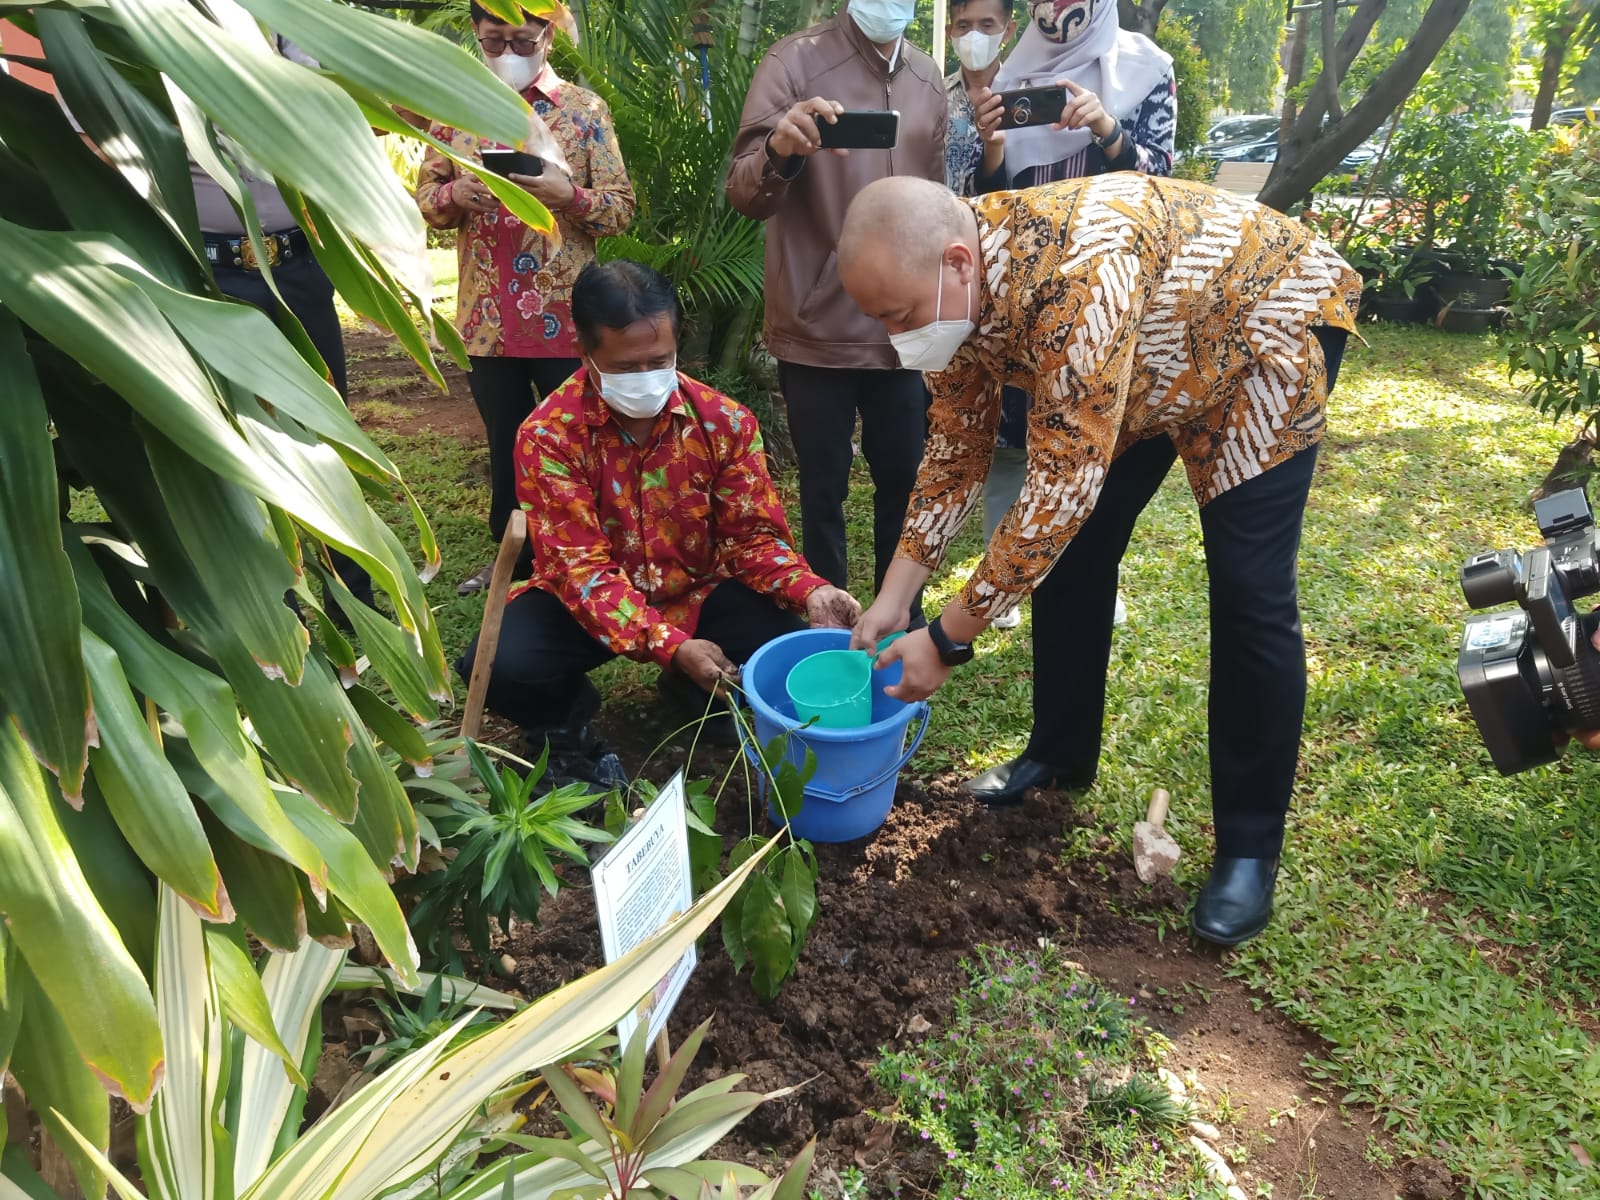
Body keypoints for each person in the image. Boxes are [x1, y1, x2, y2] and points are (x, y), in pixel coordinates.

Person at [838, 174, 1361, 946]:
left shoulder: (1081, 276)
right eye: (879, 320)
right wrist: (892, 600)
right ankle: (1059, 754)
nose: (896, 337)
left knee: (1250, 590)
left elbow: (1058, 488)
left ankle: (1249, 849)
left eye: (899, 316)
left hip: (1263, 326)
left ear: (956, 262)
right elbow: (954, 454)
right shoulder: (946, 298)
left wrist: (947, 638)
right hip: (1152, 344)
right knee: (1074, 555)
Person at [456, 260, 861, 777]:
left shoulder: (724, 422)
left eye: (660, 360)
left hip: (700, 587)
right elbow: (581, 573)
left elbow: (752, 537)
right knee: (499, 667)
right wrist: (671, 645)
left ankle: (689, 690)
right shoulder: (548, 436)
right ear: (584, 354)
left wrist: (810, 590)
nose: (646, 379)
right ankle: (566, 721)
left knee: (779, 653)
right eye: (626, 367)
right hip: (591, 604)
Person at [726, 0, 947, 624]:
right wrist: (781, 148)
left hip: (903, 328)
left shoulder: (929, 79)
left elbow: (937, 203)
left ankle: (900, 612)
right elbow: (744, 191)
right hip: (816, 325)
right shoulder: (793, 62)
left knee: (904, 478)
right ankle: (828, 610)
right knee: (822, 486)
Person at [416, 1, 636, 596]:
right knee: (507, 445)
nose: (508, 54)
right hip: (488, 320)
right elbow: (426, 202)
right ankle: (514, 563)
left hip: (567, 318)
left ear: (548, 36)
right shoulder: (452, 111)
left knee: (583, 442)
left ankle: (596, 562)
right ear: (475, 35)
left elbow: (620, 208)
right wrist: (458, 191)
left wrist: (569, 194)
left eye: (522, 39)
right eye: (493, 41)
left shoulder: (584, 112)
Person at [985, 0, 1175, 629]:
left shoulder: (1148, 71)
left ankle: (1090, 571)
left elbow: (1163, 188)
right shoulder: (1006, 77)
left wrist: (1109, 132)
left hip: (1110, 296)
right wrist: (988, 146)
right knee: (1016, 438)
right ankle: (1004, 573)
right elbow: (976, 205)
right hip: (1023, 293)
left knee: (1097, 437)